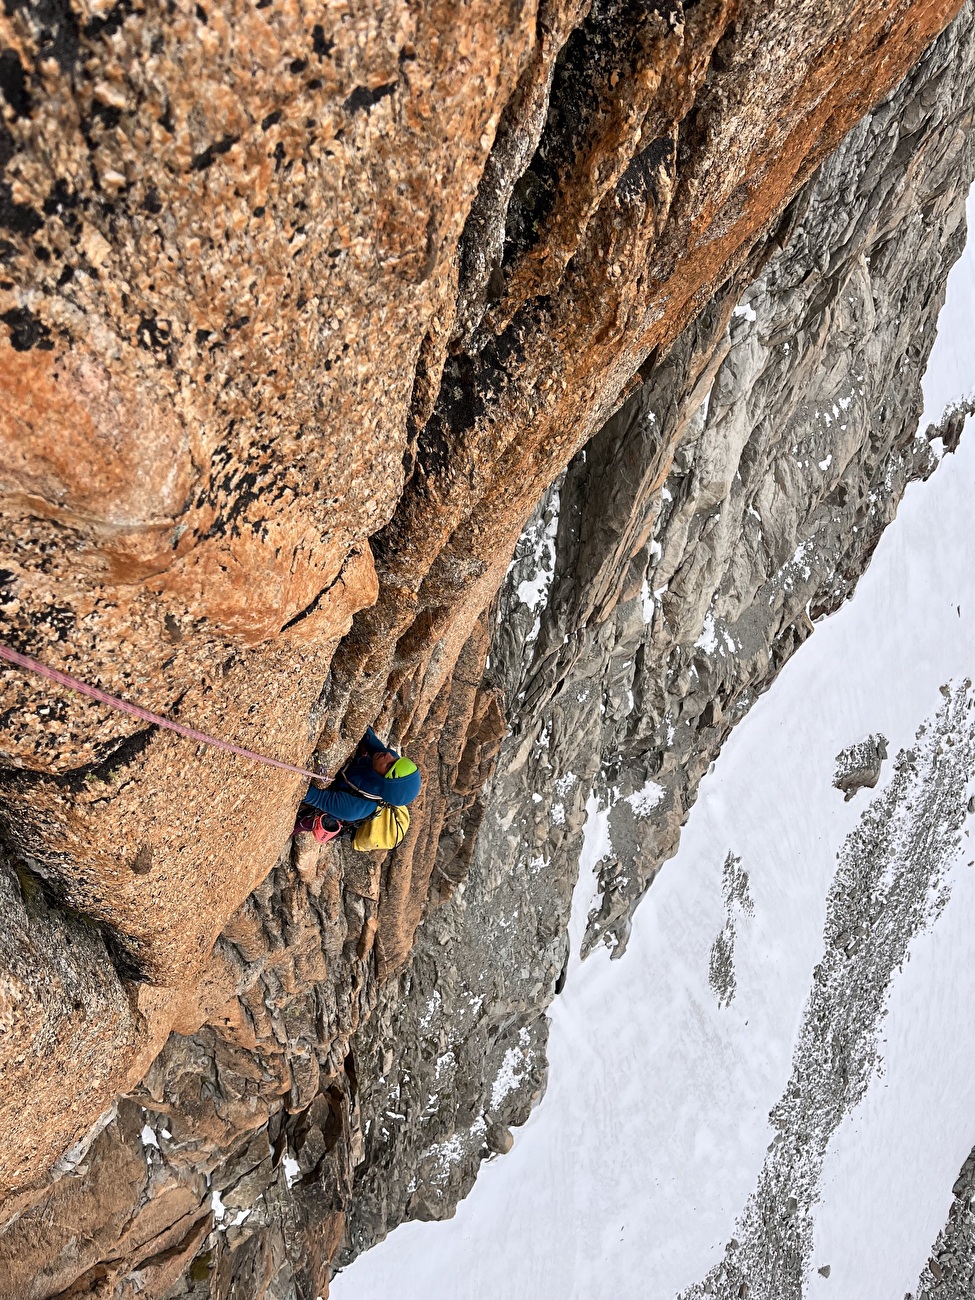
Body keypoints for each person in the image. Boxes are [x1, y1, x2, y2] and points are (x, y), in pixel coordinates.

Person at [293, 727, 421, 841]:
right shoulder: (386, 758)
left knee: (294, 826)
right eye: (396, 759)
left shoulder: (355, 808)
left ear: (382, 782)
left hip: (331, 804)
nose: (389, 755)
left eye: (390, 765)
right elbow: (365, 732)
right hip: (346, 777)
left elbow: (312, 795)